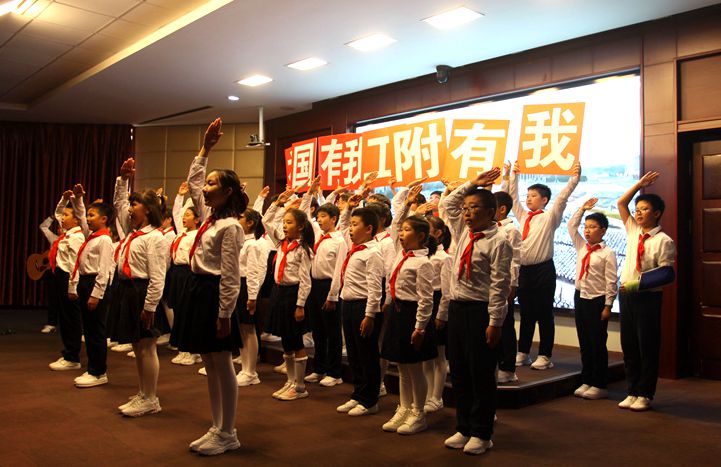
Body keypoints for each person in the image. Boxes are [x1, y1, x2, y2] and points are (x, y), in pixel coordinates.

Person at [179, 118, 247, 454]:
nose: (204, 188)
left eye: (212, 184)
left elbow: (230, 276)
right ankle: (217, 425)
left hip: (214, 294)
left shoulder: (230, 226)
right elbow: (193, 182)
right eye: (206, 183)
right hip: (199, 290)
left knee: (222, 363)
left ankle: (228, 431)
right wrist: (205, 148)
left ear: (227, 192)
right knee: (209, 362)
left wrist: (224, 314)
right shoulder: (210, 219)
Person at [439, 167, 512, 456]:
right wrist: (473, 183)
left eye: (474, 208)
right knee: (458, 371)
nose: (467, 213)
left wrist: (495, 321)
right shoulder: (463, 233)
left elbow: (499, 284)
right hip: (457, 308)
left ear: (491, 212)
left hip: (480, 311)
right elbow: (448, 204)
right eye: (466, 208)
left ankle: (482, 433)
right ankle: (464, 426)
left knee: (480, 373)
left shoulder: (499, 241)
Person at [509, 161, 581, 370]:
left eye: (533, 196)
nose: (528, 199)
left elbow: (561, 199)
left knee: (544, 314)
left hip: (543, 270)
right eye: (528, 195)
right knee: (526, 313)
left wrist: (574, 179)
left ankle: (545, 355)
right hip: (524, 271)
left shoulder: (550, 217)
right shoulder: (524, 216)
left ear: (544, 200)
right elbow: (513, 198)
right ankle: (523, 352)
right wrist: (514, 176)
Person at [112, 158, 167, 417]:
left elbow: (157, 276)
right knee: (137, 346)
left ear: (147, 209)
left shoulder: (155, 237)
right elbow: (118, 205)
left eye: (135, 204)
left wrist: (150, 306)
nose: (129, 208)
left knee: (147, 347)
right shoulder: (133, 233)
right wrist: (123, 180)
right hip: (129, 291)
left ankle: (151, 398)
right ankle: (143, 392)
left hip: (142, 292)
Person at [380, 185, 438, 435]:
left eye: (407, 230)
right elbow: (394, 225)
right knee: (402, 367)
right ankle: (404, 408)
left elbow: (426, 299)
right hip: (397, 312)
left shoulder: (422, 262)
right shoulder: (401, 254)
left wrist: (420, 327)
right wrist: (405, 204)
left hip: (412, 316)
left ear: (421, 236)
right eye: (402, 230)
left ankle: (418, 412)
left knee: (415, 368)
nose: (401, 233)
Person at [616, 171, 675, 412]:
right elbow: (621, 203)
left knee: (647, 346)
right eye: (637, 209)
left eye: (644, 209)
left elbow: (667, 273)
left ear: (657, 213)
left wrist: (637, 284)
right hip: (627, 296)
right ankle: (632, 390)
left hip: (648, 298)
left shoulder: (664, 240)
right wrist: (639, 184)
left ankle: (645, 393)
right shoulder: (633, 230)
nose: (638, 213)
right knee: (629, 346)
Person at [327, 205, 385, 416]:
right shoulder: (354, 250)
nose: (350, 229)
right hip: (348, 304)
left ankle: (370, 400)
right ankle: (358, 394)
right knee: (353, 353)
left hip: (363, 306)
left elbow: (375, 288)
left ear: (369, 229)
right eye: (350, 225)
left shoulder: (373, 253)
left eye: (354, 225)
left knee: (367, 354)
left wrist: (370, 315)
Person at [260, 188, 314, 401]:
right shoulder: (281, 243)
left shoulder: (303, 249)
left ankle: (300, 386)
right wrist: (277, 204)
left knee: (296, 341)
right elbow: (266, 221)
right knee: (286, 341)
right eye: (284, 222)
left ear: (300, 226)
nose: (284, 225)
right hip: (279, 292)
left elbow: (305, 280)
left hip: (293, 295)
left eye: (289, 222)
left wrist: (300, 305)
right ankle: (290, 381)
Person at [568, 198, 618, 400]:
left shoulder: (608, 253)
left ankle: (600, 383)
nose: (587, 231)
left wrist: (608, 305)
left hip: (597, 300)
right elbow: (571, 227)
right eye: (586, 227)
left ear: (603, 231)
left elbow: (611, 281)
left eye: (592, 227)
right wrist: (582, 209)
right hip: (580, 297)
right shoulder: (582, 246)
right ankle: (587, 379)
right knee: (585, 341)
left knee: (597, 342)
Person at [301, 177, 347, 387]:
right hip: (314, 285)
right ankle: (319, 368)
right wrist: (309, 193)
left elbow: (338, 271)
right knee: (318, 330)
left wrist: (332, 296)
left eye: (323, 217)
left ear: (334, 218)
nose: (318, 220)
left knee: (332, 332)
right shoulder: (318, 235)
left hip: (329, 287)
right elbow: (304, 215)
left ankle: (334, 372)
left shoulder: (340, 241)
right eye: (318, 216)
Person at [67, 193, 115, 388]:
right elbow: (79, 215)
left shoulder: (104, 240)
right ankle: (92, 368)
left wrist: (96, 294)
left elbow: (104, 270)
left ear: (104, 219)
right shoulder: (92, 237)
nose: (87, 218)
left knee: (96, 331)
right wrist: (78, 199)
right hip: (86, 282)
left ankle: (99, 371)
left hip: (96, 283)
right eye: (88, 215)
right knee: (88, 330)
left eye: (92, 215)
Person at [48, 186, 87, 372]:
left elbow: (75, 264)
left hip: (69, 279)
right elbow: (57, 214)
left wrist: (73, 287)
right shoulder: (67, 233)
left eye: (66, 215)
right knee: (64, 318)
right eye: (63, 215)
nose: (62, 218)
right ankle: (68, 352)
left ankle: (72, 356)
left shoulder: (76, 237)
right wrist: (64, 200)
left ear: (76, 219)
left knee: (70, 318)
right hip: (61, 276)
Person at [168, 182, 201, 366]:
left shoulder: (198, 234)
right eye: (185, 215)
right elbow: (176, 214)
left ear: (197, 219)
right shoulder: (182, 233)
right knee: (179, 311)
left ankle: (193, 351)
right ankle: (182, 347)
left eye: (188, 215)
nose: (184, 218)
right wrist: (180, 196)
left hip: (189, 273)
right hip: (177, 273)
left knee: (188, 312)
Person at [423, 215, 452, 413]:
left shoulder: (444, 258)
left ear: (438, 233)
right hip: (425, 302)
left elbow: (446, 292)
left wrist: (441, 315)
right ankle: (427, 394)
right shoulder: (423, 255)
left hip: (437, 301)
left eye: (427, 228)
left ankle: (437, 396)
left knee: (439, 355)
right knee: (426, 354)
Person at [493, 189, 522, 383]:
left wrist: (512, 284)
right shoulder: (492, 228)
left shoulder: (511, 229)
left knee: (506, 325)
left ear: (502, 209)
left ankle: (508, 367)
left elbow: (515, 259)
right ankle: (497, 363)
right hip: (492, 282)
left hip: (505, 283)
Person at [235, 207, 264, 386]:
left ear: (250, 223)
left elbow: (253, 272)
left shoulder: (252, 244)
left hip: (247, 287)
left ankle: (251, 371)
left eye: (240, 217)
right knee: (241, 329)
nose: (236, 219)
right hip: (238, 285)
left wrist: (252, 296)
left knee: (249, 328)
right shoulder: (241, 242)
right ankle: (244, 368)